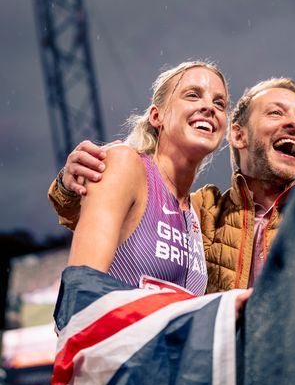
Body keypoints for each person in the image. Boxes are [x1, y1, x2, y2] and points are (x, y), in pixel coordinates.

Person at [49, 78, 295, 292]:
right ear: (238, 135)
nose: (294, 124)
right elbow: (96, 217)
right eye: (276, 113)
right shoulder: (203, 211)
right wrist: (69, 184)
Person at [66, 60, 229, 296]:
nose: (209, 107)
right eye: (193, 95)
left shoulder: (194, 212)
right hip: (110, 333)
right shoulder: (125, 164)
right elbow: (79, 291)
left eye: (219, 102)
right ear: (156, 116)